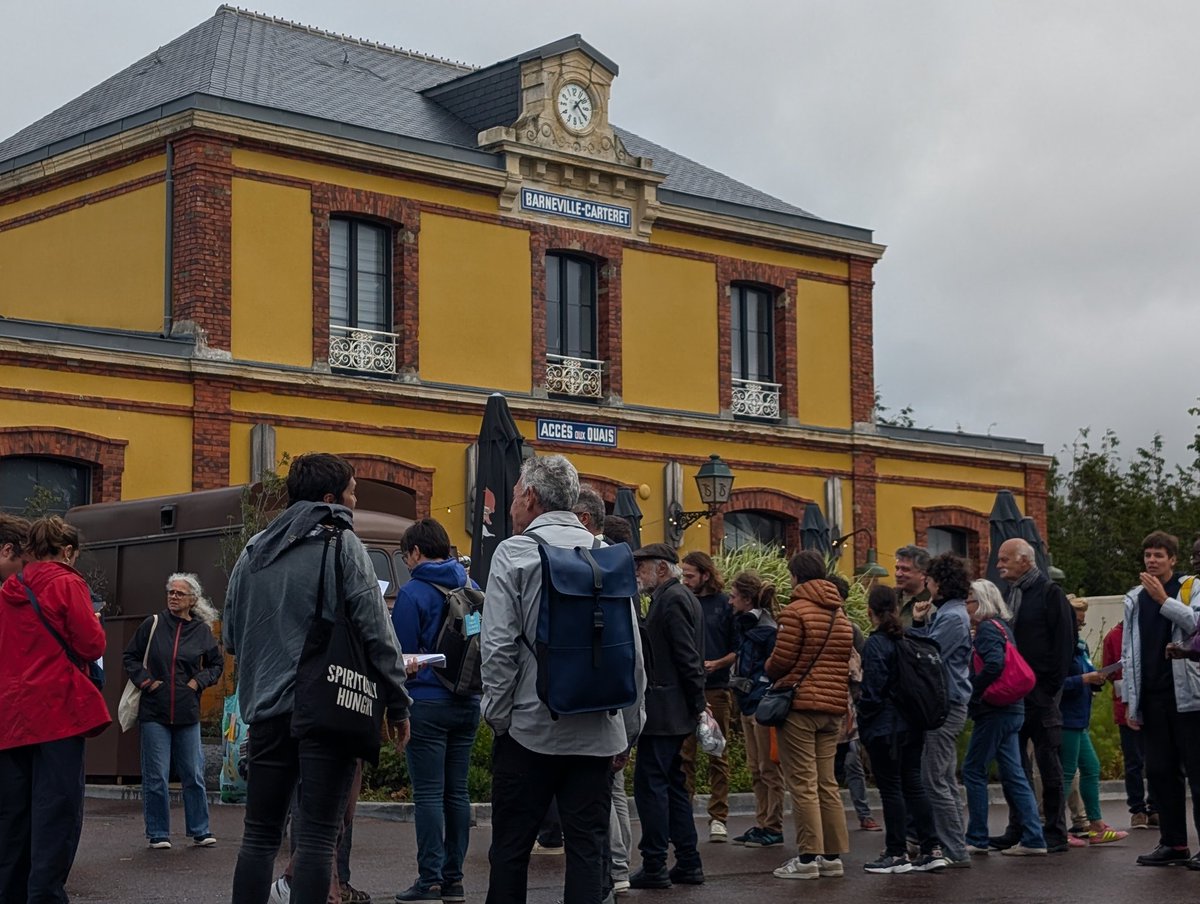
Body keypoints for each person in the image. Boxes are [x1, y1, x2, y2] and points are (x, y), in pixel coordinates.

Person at [225, 452, 411, 904]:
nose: (355, 502)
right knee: (316, 838)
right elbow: (377, 631)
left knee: (259, 835)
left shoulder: (253, 551)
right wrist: (398, 702)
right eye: (352, 493)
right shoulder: (341, 543)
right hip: (327, 710)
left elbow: (231, 636)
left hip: (265, 712)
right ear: (330, 499)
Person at [481, 454, 644, 904]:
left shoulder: (514, 553)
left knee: (510, 851)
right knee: (588, 851)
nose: (512, 504)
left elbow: (498, 649)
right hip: (598, 732)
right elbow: (632, 654)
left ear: (532, 498)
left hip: (529, 729)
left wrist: (499, 719)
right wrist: (628, 730)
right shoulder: (606, 555)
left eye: (515, 495)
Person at [0, 515, 110, 902]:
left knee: (13, 819)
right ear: (67, 551)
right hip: (57, 712)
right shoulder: (67, 583)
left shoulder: (9, 589)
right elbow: (91, 645)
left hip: (12, 717)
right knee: (56, 813)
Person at [390, 517, 480, 903]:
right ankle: (454, 880)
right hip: (467, 700)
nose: (407, 563)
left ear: (415, 552)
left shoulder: (412, 593)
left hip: (426, 703)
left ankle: (429, 880)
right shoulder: (472, 586)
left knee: (428, 794)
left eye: (405, 556)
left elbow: (400, 655)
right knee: (457, 792)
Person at [764, 550, 853, 880]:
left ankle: (806, 859)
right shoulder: (840, 614)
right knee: (827, 783)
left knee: (803, 783)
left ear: (797, 576)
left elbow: (781, 660)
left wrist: (769, 668)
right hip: (833, 707)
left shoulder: (795, 611)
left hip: (800, 706)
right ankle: (832, 857)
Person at [123, 572, 223, 849]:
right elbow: (130, 657)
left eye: (180, 593)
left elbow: (216, 665)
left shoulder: (202, 631)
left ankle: (200, 830)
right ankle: (158, 833)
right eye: (170, 592)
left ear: (192, 600)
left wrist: (196, 683)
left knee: (194, 774)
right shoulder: (152, 624)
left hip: (187, 712)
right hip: (154, 712)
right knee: (156, 776)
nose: (173, 597)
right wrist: (148, 683)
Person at [1120, 530, 1200, 869]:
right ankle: (1173, 843)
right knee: (1160, 772)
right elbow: (1129, 652)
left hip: (1190, 698)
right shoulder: (1135, 598)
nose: (1152, 561)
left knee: (1197, 772)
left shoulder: (1191, 587)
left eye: (1159, 555)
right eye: (1148, 555)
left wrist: (1163, 600)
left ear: (1173, 559)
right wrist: (1130, 701)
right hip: (1152, 698)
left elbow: (1196, 624)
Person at [989, 538, 1074, 854]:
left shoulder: (1050, 593)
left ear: (1025, 560)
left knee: (1047, 762)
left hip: (1041, 693)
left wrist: (1050, 689)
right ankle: (1019, 827)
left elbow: (1064, 643)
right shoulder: (1010, 594)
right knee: (1014, 764)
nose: (999, 565)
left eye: (1005, 559)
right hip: (1014, 693)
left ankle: (1055, 831)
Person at [630, 543, 707, 888]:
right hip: (674, 710)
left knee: (651, 787)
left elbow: (687, 658)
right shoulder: (678, 596)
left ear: (661, 568)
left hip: (665, 712)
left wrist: (698, 704)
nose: (638, 573)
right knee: (674, 785)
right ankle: (687, 861)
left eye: (642, 566)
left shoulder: (672, 599)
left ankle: (655, 863)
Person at [856, 585, 946, 874]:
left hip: (885, 727)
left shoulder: (876, 644)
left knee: (891, 789)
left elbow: (873, 691)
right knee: (914, 785)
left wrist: (863, 716)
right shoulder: (907, 639)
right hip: (913, 723)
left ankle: (896, 852)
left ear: (870, 612)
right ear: (896, 609)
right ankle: (932, 848)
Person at [962, 579, 1046, 856]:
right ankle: (1034, 837)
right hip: (1013, 707)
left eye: (969, 601)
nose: (966, 606)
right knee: (1014, 774)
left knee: (974, 769)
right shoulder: (1003, 627)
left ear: (981, 603)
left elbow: (994, 664)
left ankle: (977, 837)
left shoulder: (986, 629)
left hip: (994, 710)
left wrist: (975, 691)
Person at [910, 552, 972, 867]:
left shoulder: (951, 617)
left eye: (931, 580)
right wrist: (921, 622)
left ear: (940, 584)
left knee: (934, 779)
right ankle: (953, 844)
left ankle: (954, 849)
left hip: (945, 705)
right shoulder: (952, 613)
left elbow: (928, 657)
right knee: (944, 778)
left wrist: (916, 628)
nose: (928, 585)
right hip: (952, 703)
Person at [1059, 597, 1128, 845]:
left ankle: (1096, 824)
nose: (1080, 626)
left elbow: (1087, 672)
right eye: (1077, 621)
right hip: (1067, 717)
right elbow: (1054, 684)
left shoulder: (1080, 645)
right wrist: (1085, 679)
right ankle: (1055, 828)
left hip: (1080, 717)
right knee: (1067, 772)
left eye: (1082, 622)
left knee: (1091, 767)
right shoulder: (1060, 647)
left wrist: (1096, 678)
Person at [679, 550, 736, 843]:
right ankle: (683, 815)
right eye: (683, 575)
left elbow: (737, 648)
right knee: (684, 756)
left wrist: (718, 663)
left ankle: (719, 818)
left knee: (717, 754)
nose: (685, 580)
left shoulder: (724, 604)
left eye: (690, 576)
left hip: (717, 687)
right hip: (687, 688)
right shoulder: (682, 601)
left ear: (705, 574)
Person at [727, 570, 785, 847]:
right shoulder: (747, 626)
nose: (730, 601)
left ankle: (772, 825)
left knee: (768, 768)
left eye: (734, 596)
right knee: (756, 768)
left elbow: (774, 665)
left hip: (760, 703)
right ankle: (763, 822)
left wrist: (761, 688)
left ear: (747, 600)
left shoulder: (766, 630)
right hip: (748, 701)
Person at [1102, 620, 1156, 830]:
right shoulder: (1114, 636)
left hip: (1151, 705)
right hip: (1125, 707)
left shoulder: (1149, 630)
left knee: (1155, 759)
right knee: (1134, 760)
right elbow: (1107, 671)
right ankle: (1138, 809)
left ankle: (1155, 806)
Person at [894, 545, 930, 628]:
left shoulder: (932, 603)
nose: (898, 574)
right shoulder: (889, 598)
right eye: (897, 568)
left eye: (905, 569)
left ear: (923, 574)